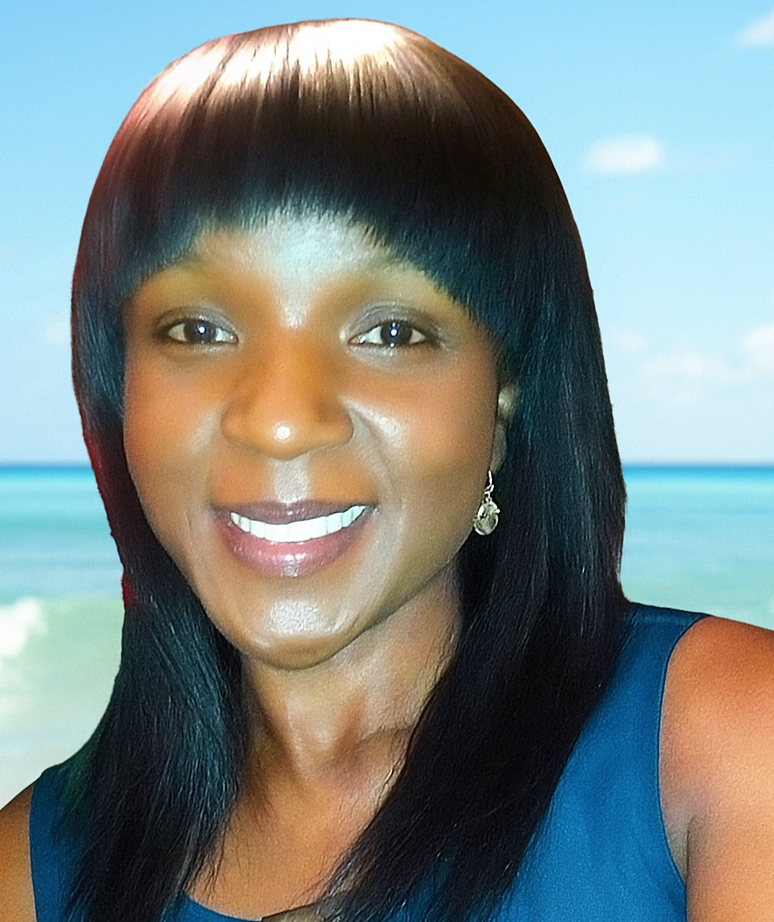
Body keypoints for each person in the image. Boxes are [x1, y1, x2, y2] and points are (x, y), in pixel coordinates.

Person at [2, 18, 774, 922]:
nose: (282, 420)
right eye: (199, 330)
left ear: (503, 398)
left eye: (391, 333)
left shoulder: (723, 743)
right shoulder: (35, 869)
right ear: (117, 389)